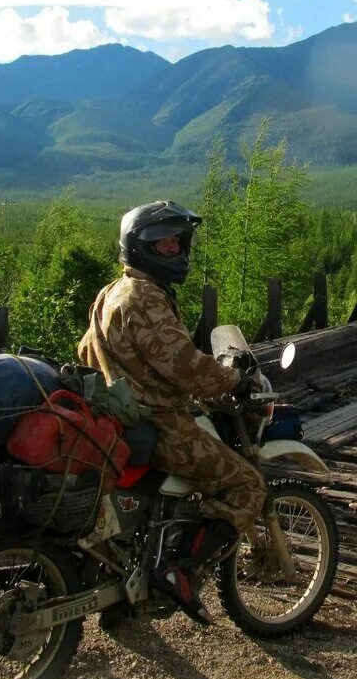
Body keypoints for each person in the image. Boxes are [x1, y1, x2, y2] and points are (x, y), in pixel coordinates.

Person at [77, 200, 267, 625]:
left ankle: (126, 592)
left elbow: (87, 351)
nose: (174, 250)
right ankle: (175, 568)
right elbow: (184, 365)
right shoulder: (145, 298)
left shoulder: (113, 291)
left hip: (120, 418)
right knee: (247, 485)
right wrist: (232, 381)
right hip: (160, 424)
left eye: (176, 241)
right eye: (163, 244)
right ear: (140, 247)